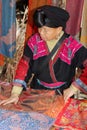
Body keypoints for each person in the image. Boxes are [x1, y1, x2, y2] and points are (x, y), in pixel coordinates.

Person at [0, 5, 87, 106]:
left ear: (59, 29)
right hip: (37, 91)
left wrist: (74, 88)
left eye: (46, 30)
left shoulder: (72, 46)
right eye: (39, 29)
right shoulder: (34, 42)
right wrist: (15, 93)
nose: (41, 33)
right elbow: (24, 66)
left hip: (63, 93)